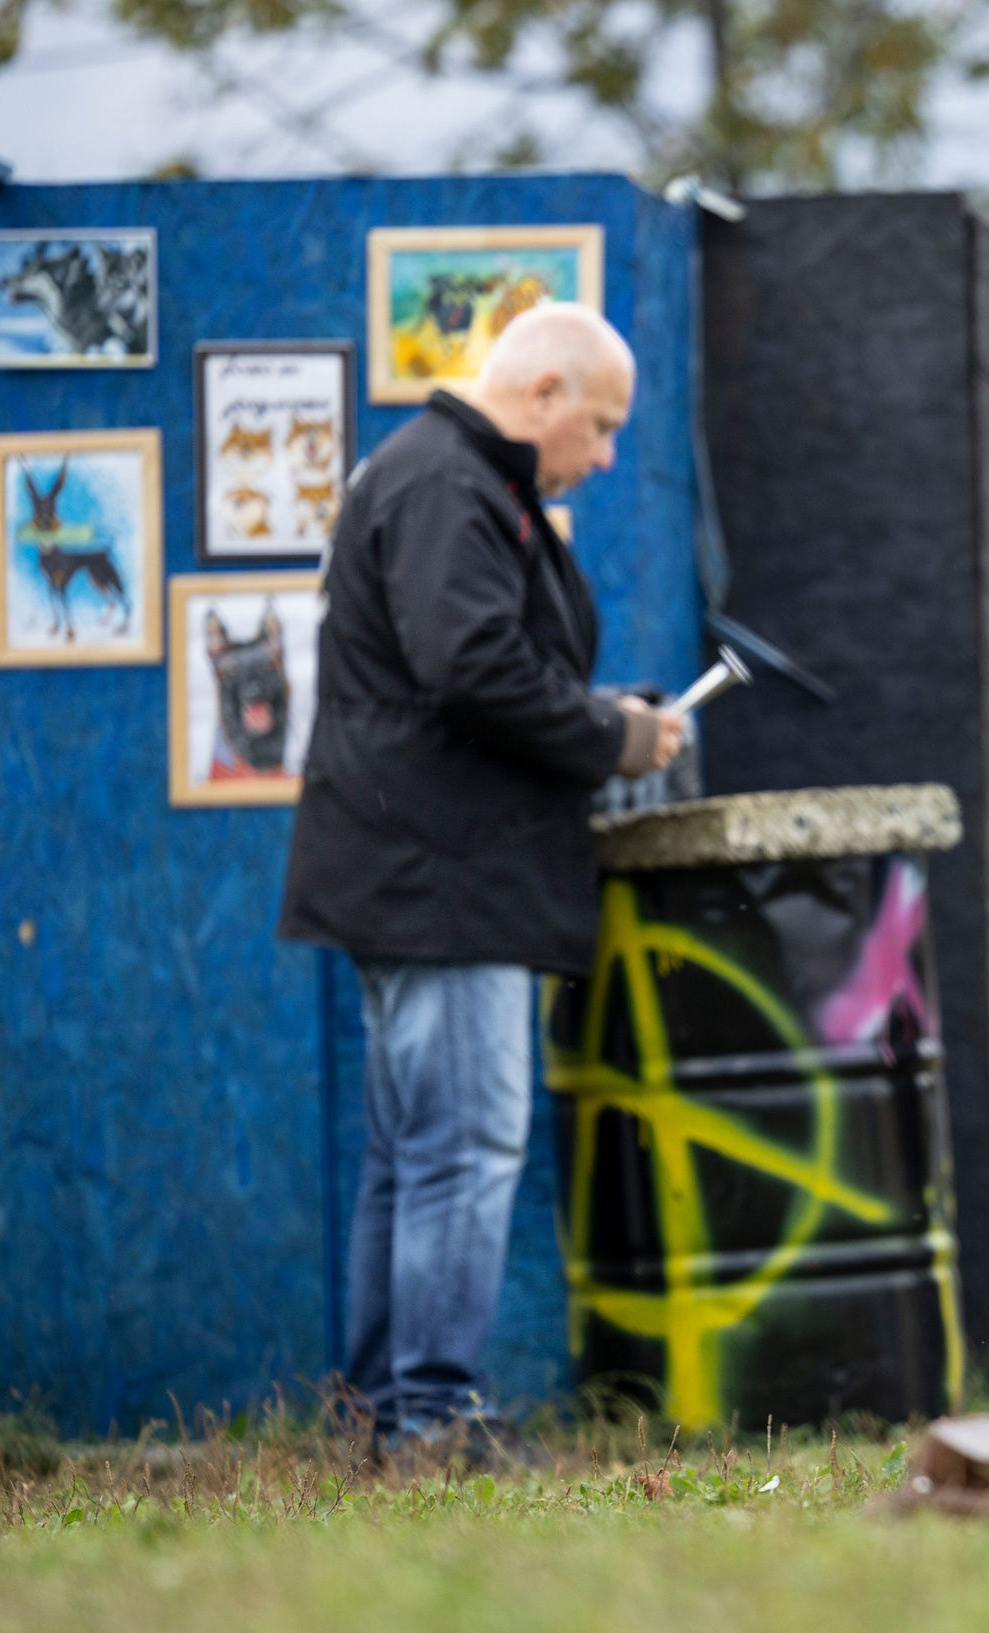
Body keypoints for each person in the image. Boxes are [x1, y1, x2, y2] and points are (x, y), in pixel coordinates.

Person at [279, 303, 686, 1455]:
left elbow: (479, 666)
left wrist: (606, 721)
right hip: (443, 881)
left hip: (417, 868)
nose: (605, 455)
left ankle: (378, 1417)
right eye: (601, 424)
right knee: (464, 1147)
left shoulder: (449, 478)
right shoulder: (450, 485)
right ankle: (434, 1419)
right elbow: (472, 667)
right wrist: (612, 737)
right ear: (544, 393)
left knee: (414, 1157)